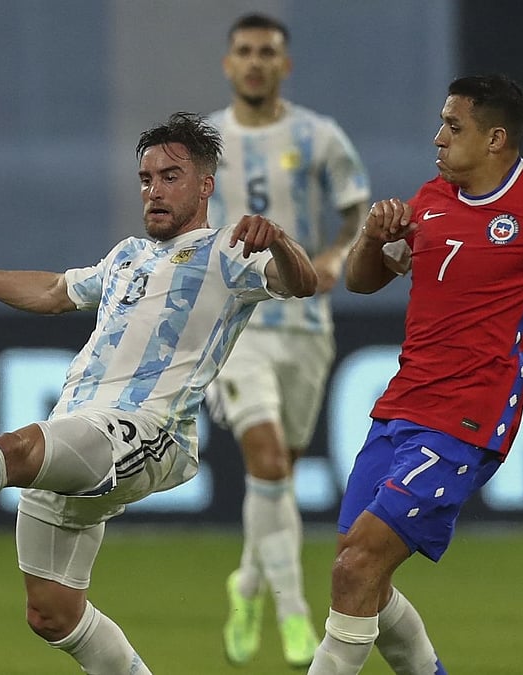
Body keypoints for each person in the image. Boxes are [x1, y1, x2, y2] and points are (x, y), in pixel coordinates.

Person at [0, 112, 317, 673]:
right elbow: (52, 290)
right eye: (146, 179)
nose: (154, 191)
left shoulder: (227, 252)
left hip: (145, 430)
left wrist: (282, 242)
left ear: (205, 185)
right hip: (79, 426)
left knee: (11, 454)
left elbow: (301, 283)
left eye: (170, 177)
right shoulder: (126, 256)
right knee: (53, 614)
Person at [306, 75, 523, 675]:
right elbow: (366, 280)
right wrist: (372, 236)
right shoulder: (431, 199)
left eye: (452, 126)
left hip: (465, 422)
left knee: (356, 566)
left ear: (495, 138)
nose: (438, 137)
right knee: (361, 575)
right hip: (400, 407)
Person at [203, 13, 371, 668]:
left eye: (267, 52)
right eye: (243, 50)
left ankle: (245, 583)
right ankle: (297, 614)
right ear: (227, 63)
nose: (254, 62)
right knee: (268, 461)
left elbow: (357, 214)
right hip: (237, 325)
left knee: (278, 480)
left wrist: (333, 257)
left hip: (305, 326)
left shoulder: (318, 135)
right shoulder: (207, 140)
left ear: (284, 65)